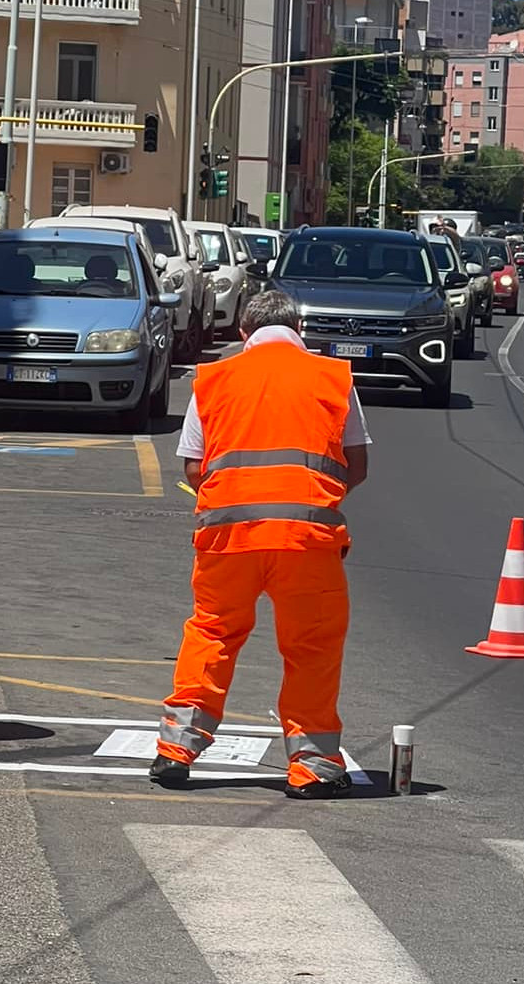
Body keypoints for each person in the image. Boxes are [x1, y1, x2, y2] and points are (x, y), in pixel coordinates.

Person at [149, 291, 371, 798]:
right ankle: (312, 766)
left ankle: (176, 749)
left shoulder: (214, 378)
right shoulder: (333, 377)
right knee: (312, 646)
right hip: (306, 537)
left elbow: (194, 466)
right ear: (299, 329)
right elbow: (357, 465)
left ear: (244, 332)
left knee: (213, 632)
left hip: (228, 534)